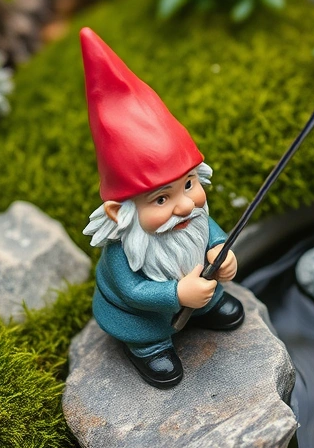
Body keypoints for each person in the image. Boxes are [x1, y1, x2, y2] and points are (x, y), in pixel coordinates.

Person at [79, 27, 243, 389]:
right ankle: (151, 349)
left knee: (206, 283)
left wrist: (220, 248)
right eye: (161, 199)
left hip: (199, 288)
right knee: (142, 325)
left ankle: (207, 307)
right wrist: (175, 295)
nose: (185, 206)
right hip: (141, 316)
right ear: (117, 212)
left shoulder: (189, 216)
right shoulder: (124, 251)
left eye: (188, 184)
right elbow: (133, 292)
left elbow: (208, 228)